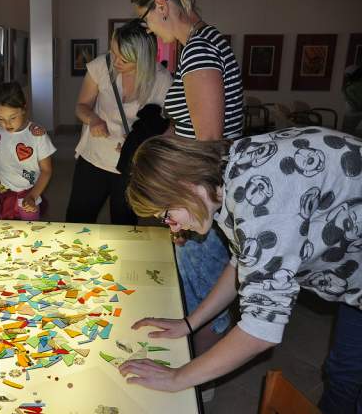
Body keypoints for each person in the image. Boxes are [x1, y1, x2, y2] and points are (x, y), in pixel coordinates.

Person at [122, 127, 362, 414]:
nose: (173, 228)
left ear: (184, 185)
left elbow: (260, 329)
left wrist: (177, 378)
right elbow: (242, 263)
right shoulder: (229, 174)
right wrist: (189, 323)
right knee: (343, 372)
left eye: (167, 215)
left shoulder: (260, 197)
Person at [132, 0, 244, 358]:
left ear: (161, 6)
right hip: (198, 186)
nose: (148, 29)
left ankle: (198, 380)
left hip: (203, 191)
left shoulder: (198, 49)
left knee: (202, 297)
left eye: (146, 19)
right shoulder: (199, 44)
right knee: (199, 291)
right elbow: (188, 129)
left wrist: (185, 207)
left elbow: (209, 142)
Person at [66, 19, 172, 225]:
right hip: (94, 158)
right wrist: (93, 119)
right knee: (78, 219)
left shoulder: (162, 79)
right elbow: (81, 106)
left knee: (124, 226)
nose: (115, 62)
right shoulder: (101, 65)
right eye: (113, 52)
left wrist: (141, 142)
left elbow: (167, 126)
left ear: (143, 58)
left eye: (124, 59)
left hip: (131, 165)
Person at [0, 81, 56, 220]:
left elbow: (46, 170)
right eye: (0, 119)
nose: (7, 124)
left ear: (24, 108)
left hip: (29, 193)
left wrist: (33, 196)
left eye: (13, 117)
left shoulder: (37, 135)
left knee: (29, 228)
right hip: (0, 192)